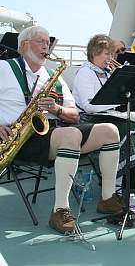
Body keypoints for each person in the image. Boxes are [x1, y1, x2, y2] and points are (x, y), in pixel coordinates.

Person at [0, 26, 123, 234]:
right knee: (72, 134)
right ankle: (60, 209)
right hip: (18, 137)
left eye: (48, 42)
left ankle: (107, 198)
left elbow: (74, 114)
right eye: (40, 41)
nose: (46, 47)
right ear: (23, 46)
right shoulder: (4, 68)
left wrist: (56, 109)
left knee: (110, 130)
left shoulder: (52, 75)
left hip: (53, 132)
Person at [72, 34, 135, 196]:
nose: (111, 58)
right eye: (107, 54)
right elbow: (90, 106)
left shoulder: (107, 71)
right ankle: (116, 186)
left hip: (109, 116)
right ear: (94, 53)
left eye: (112, 54)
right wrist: (119, 100)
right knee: (122, 131)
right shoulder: (85, 73)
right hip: (89, 118)